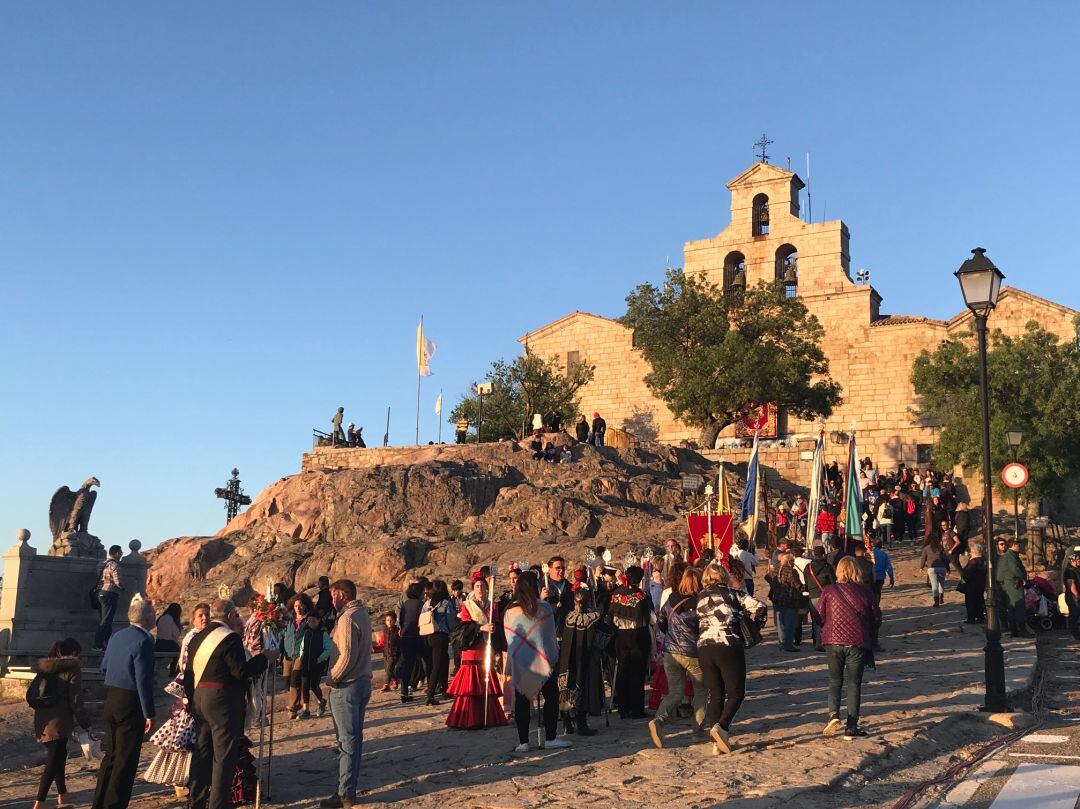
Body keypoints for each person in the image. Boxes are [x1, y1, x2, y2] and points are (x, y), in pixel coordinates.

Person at [184, 599, 271, 809]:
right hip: (222, 699)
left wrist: (193, 700)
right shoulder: (229, 637)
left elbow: (189, 674)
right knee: (223, 756)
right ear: (230, 616)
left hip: (200, 698)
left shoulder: (197, 638)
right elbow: (240, 672)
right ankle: (218, 804)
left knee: (201, 753)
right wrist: (264, 659)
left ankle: (195, 801)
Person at [92, 595, 157, 809]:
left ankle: (99, 802)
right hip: (130, 700)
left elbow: (104, 667)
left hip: (111, 697)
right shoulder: (144, 641)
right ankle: (115, 804)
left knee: (110, 755)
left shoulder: (116, 636)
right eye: (154, 614)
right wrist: (149, 712)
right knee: (126, 759)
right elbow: (143, 679)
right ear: (147, 618)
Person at [696, 562, 766, 754]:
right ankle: (723, 726)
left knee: (715, 694)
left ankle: (715, 743)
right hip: (728, 644)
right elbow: (760, 606)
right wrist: (753, 628)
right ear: (723, 576)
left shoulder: (699, 597)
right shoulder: (733, 594)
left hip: (704, 647)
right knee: (736, 692)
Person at [145, 603, 209, 797]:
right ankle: (182, 781)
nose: (204, 618)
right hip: (190, 695)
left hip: (198, 693)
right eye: (200, 615)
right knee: (184, 739)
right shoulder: (192, 637)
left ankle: (191, 780)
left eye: (207, 615)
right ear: (193, 619)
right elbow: (185, 666)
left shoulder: (205, 636)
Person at [503, 571, 570, 752]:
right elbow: (549, 636)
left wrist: (511, 662)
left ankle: (523, 742)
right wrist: (552, 657)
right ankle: (550, 737)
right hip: (543, 661)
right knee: (551, 697)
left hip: (521, 660)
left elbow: (510, 639)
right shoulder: (544, 607)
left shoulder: (509, 611)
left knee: (522, 701)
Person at [321, 579, 373, 809]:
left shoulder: (348, 617)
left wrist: (332, 678)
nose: (332, 600)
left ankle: (345, 792)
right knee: (354, 739)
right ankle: (348, 787)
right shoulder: (361, 614)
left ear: (342, 595)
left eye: (333, 596)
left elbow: (348, 654)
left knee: (347, 741)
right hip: (361, 682)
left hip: (348, 685)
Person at [819, 557, 881, 740]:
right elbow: (876, 618)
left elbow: (819, 615)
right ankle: (851, 726)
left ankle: (833, 715)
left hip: (833, 641)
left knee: (834, 680)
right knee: (854, 684)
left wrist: (829, 626)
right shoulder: (865, 592)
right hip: (857, 641)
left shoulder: (829, 591)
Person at [649, 567, 706, 748]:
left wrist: (671, 635)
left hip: (671, 652)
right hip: (693, 652)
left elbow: (661, 621)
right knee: (701, 692)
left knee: (675, 693)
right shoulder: (701, 602)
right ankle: (697, 731)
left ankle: (658, 721)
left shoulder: (671, 599)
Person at [32, 638, 92, 809]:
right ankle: (40, 802)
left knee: (58, 755)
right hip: (59, 721)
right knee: (53, 760)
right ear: (73, 653)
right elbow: (75, 700)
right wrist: (85, 723)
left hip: (42, 720)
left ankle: (62, 794)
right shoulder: (72, 668)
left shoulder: (45, 668)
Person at [445, 572, 507, 729]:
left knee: (485, 682)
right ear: (473, 589)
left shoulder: (492, 606)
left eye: (483, 586)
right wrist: (481, 627)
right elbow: (464, 628)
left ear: (487, 589)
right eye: (477, 586)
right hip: (472, 648)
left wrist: (494, 628)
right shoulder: (468, 606)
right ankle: (469, 718)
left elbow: (498, 625)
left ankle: (489, 717)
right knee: (471, 686)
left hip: (486, 648)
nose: (480, 589)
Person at [556, 585, 603, 736]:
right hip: (585, 659)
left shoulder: (568, 617)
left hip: (567, 659)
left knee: (568, 686)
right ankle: (581, 723)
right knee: (583, 686)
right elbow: (601, 639)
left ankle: (567, 721)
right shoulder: (593, 618)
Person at [608, 565, 652, 719]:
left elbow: (610, 615)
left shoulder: (616, 594)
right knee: (637, 673)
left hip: (621, 636)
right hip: (638, 635)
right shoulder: (640, 595)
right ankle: (636, 709)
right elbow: (648, 617)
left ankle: (623, 707)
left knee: (622, 671)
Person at [422, 580, 457, 705]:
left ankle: (444, 690)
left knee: (444, 660)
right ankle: (430, 695)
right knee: (437, 665)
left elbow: (422, 617)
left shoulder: (427, 603)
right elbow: (451, 622)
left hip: (428, 636)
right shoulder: (446, 603)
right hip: (440, 636)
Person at [283, 594, 314, 719]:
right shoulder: (289, 620)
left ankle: (293, 708)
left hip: (301, 653)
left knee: (295, 678)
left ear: (305, 606)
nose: (298, 608)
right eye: (296, 606)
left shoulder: (308, 621)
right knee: (287, 680)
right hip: (287, 653)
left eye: (300, 605)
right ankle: (294, 703)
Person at [765, 553, 803, 652]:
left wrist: (774, 586)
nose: (794, 563)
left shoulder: (776, 570)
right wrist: (804, 588)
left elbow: (767, 577)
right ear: (789, 562)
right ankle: (788, 644)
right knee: (790, 624)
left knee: (780, 623)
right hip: (790, 600)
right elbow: (796, 584)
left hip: (777, 599)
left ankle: (782, 643)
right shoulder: (791, 571)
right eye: (793, 561)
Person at [996, 538, 1031, 637]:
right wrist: (1022, 578)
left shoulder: (1009, 556)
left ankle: (1014, 630)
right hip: (1013, 584)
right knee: (1018, 606)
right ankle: (1021, 629)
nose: (1021, 547)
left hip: (1008, 584)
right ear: (1014, 545)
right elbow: (1015, 569)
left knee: (1012, 607)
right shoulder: (1010, 556)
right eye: (1019, 545)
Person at [92, 545, 125, 651]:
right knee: (106, 620)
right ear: (116, 553)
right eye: (120, 553)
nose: (121, 555)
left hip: (100, 593)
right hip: (110, 594)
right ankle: (97, 644)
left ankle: (108, 643)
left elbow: (100, 578)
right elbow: (118, 582)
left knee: (105, 619)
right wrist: (123, 587)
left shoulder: (101, 564)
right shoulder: (115, 565)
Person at [298, 613, 331, 717]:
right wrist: (301, 657)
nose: (311, 623)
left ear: (318, 621)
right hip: (305, 663)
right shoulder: (307, 633)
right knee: (304, 685)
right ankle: (306, 709)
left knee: (314, 685)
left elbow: (328, 649)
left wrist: (319, 659)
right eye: (309, 621)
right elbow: (302, 647)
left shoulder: (323, 634)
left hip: (317, 665)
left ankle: (321, 701)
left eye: (313, 621)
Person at [804, 546, 835, 652]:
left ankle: (815, 640)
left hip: (812, 595)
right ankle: (821, 642)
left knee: (815, 620)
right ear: (823, 554)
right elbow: (833, 582)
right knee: (825, 619)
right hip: (825, 595)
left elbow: (806, 581)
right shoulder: (827, 567)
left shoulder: (808, 567)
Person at [398, 582, 424, 703]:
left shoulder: (405, 603)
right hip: (415, 635)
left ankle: (404, 691)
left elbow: (401, 620)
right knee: (420, 662)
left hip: (404, 635)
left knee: (406, 664)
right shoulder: (420, 604)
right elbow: (422, 620)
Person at [541, 556, 573, 634]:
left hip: (567, 631)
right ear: (549, 569)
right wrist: (541, 599)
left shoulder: (570, 587)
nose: (561, 570)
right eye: (557, 568)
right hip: (549, 631)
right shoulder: (541, 586)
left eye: (563, 568)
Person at [960, 542, 987, 624]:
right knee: (979, 601)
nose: (970, 552)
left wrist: (964, 579)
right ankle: (980, 617)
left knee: (970, 602)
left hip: (971, 586)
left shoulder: (973, 562)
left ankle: (971, 618)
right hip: (980, 584)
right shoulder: (983, 560)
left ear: (974, 552)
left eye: (971, 551)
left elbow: (968, 574)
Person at [920, 537, 950, 607]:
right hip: (942, 568)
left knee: (934, 585)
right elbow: (945, 558)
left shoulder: (926, 548)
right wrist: (948, 569)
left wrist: (921, 567)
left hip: (932, 568)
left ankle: (936, 602)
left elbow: (923, 558)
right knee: (941, 583)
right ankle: (941, 598)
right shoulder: (940, 547)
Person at [155, 603, 183, 676]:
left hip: (158, 644)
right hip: (168, 644)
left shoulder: (162, 618)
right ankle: (174, 671)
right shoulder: (170, 619)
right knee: (181, 652)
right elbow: (175, 634)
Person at [376, 612, 400, 692]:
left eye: (391, 620)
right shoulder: (385, 631)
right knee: (387, 670)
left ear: (395, 621)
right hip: (386, 653)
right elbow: (382, 643)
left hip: (394, 654)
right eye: (387, 620)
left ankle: (386, 685)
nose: (389, 622)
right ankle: (395, 680)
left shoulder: (397, 631)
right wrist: (374, 648)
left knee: (389, 669)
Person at [870, 539, 895, 604]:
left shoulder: (869, 553)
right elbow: (889, 568)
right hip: (880, 577)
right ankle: (876, 606)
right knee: (878, 592)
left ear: (873, 544)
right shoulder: (884, 554)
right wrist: (891, 578)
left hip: (870, 576)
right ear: (881, 546)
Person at [1063, 551, 1080, 641]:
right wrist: (1077, 595)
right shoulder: (1070, 571)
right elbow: (1071, 585)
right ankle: (1074, 634)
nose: (1078, 561)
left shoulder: (1076, 570)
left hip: (1075, 596)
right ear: (1072, 561)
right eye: (1077, 560)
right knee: (1074, 615)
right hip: (1073, 597)